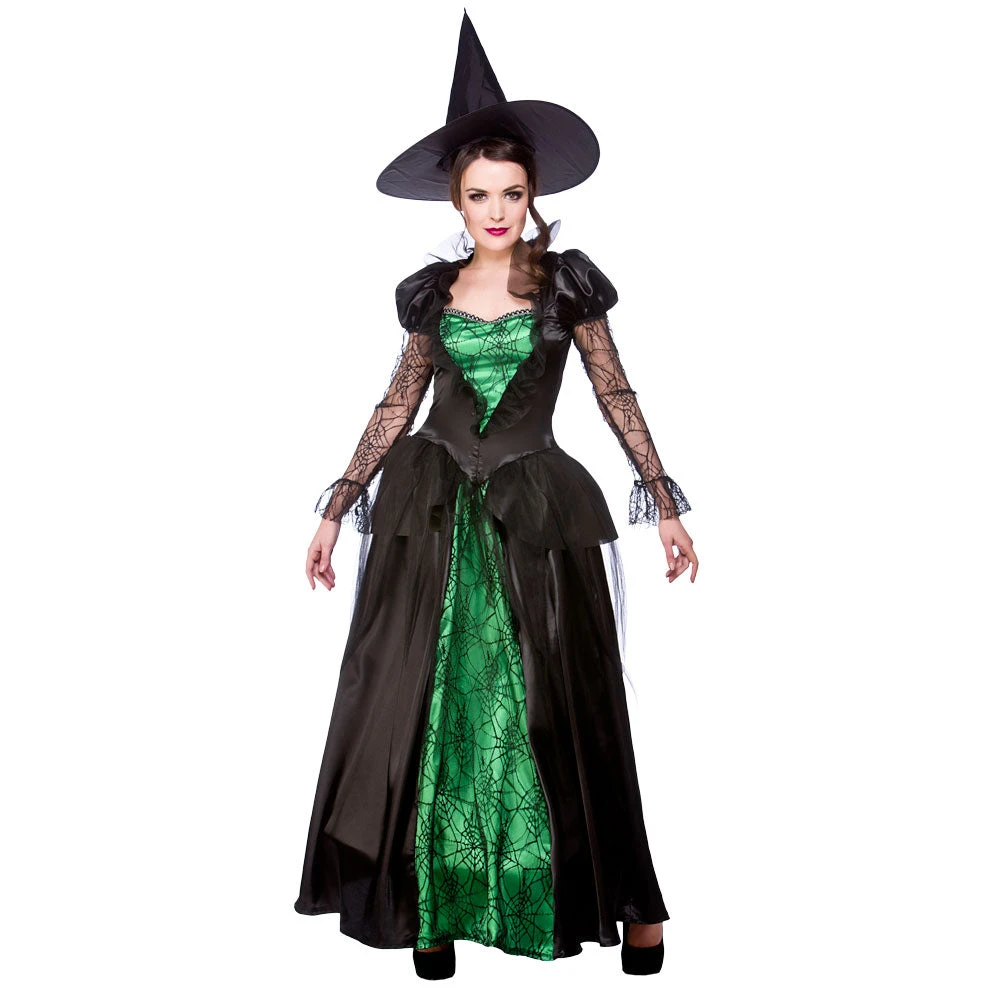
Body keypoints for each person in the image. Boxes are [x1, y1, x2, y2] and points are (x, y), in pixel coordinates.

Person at [294, 11, 698, 980]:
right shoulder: (430, 293)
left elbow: (614, 390)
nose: (496, 209)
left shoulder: (565, 285)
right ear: (457, 199)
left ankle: (630, 904)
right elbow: (399, 400)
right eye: (478, 194)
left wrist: (663, 500)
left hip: (535, 512)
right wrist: (338, 503)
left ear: (532, 194)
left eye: (511, 192)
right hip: (428, 513)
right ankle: (430, 903)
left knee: (561, 707)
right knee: (420, 703)